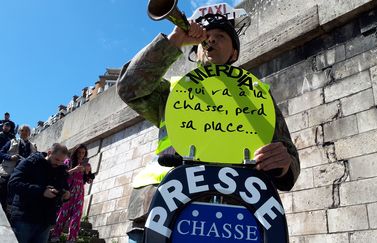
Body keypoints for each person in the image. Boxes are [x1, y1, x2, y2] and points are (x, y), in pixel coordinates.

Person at [117, 12, 300, 191]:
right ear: (196, 53)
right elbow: (128, 87)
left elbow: (289, 157)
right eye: (207, 36)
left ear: (234, 53)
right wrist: (175, 40)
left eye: (220, 36)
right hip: (171, 196)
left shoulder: (258, 96)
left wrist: (283, 164)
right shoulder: (173, 91)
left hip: (238, 197)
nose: (211, 40)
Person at [8, 143, 70, 243]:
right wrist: (41, 191)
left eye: (62, 161)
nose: (58, 163)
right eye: (57, 160)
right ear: (49, 153)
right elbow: (13, 183)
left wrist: (65, 194)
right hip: (25, 217)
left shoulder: (61, 170)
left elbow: (63, 188)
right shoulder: (31, 162)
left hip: (45, 221)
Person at [50, 144, 94, 243]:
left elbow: (88, 180)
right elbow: (63, 174)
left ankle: (72, 239)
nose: (81, 155)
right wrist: (74, 170)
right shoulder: (68, 162)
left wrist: (87, 174)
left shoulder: (86, 165)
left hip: (79, 193)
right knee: (63, 214)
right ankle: (55, 235)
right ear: (75, 152)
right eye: (79, 152)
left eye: (83, 153)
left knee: (77, 216)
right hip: (68, 191)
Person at [0, 125, 37, 213]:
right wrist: (10, 157)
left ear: (29, 133)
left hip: (23, 174)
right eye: (22, 130)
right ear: (19, 132)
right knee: (4, 192)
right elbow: (1, 153)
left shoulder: (33, 146)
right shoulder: (12, 142)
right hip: (9, 171)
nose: (24, 132)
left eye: (26, 131)